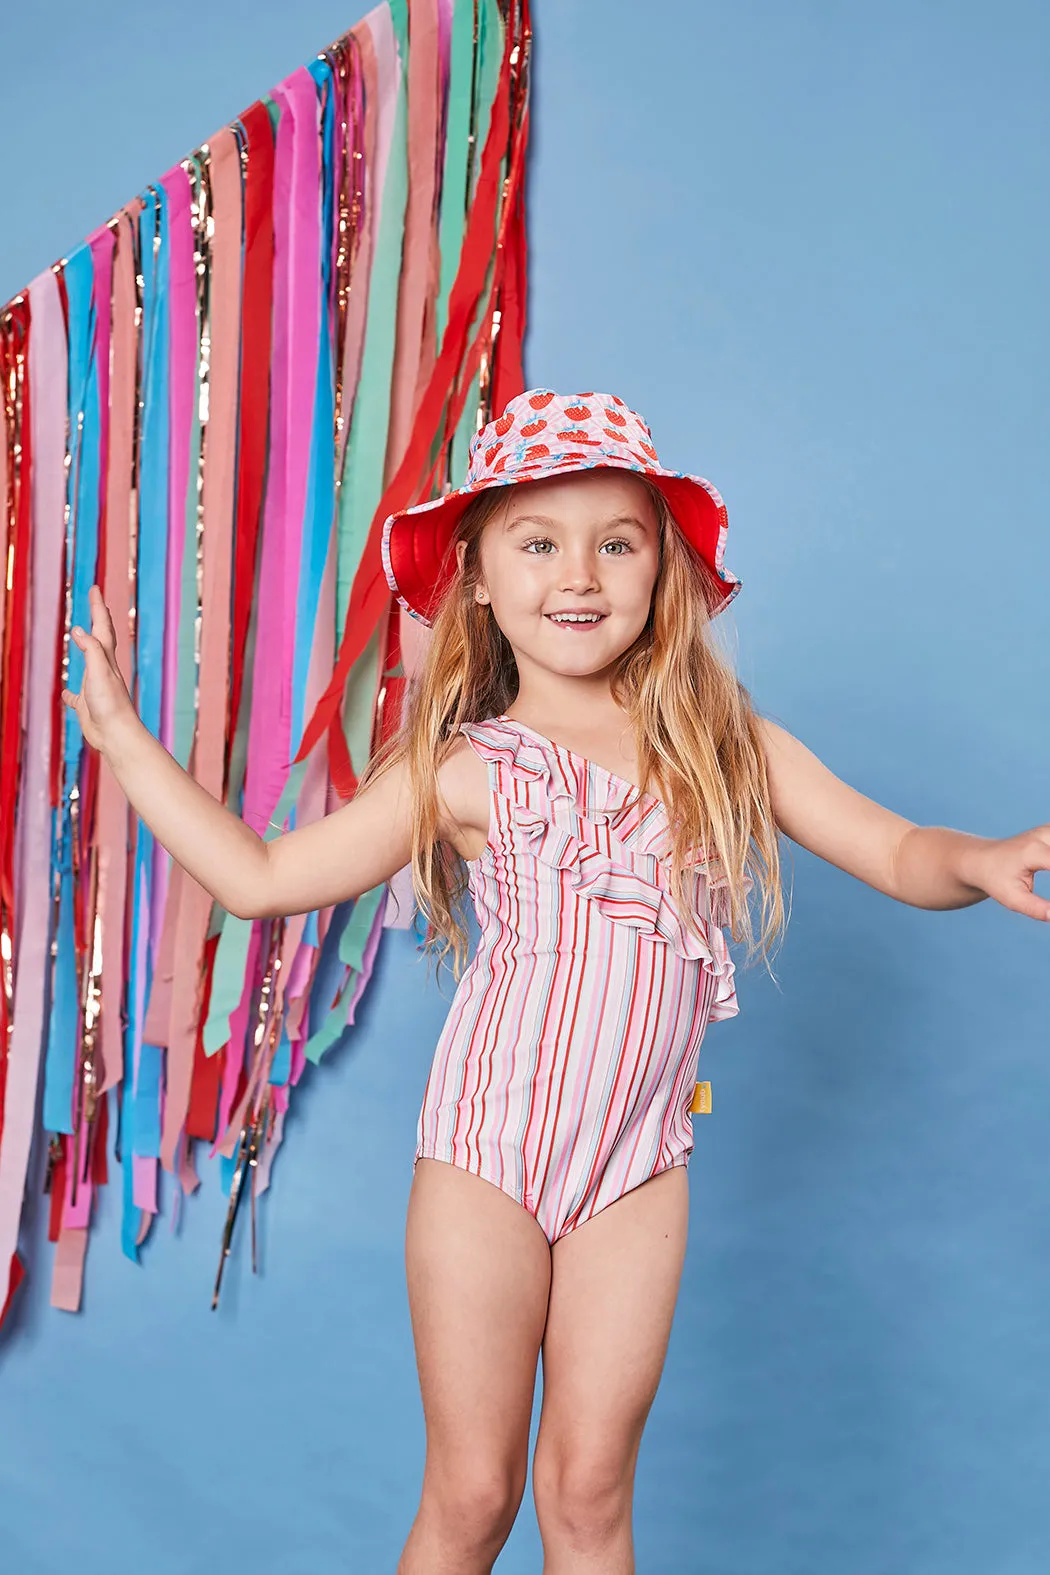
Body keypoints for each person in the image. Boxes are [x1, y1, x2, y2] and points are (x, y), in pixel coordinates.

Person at [64, 388, 1050, 1575]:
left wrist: (986, 861)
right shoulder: (471, 770)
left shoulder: (721, 745)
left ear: (661, 570)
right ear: (477, 575)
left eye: (616, 542)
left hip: (637, 1165)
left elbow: (897, 851)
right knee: (476, 1492)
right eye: (539, 542)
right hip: (487, 1151)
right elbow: (264, 877)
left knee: (587, 1493)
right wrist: (122, 738)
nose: (578, 574)